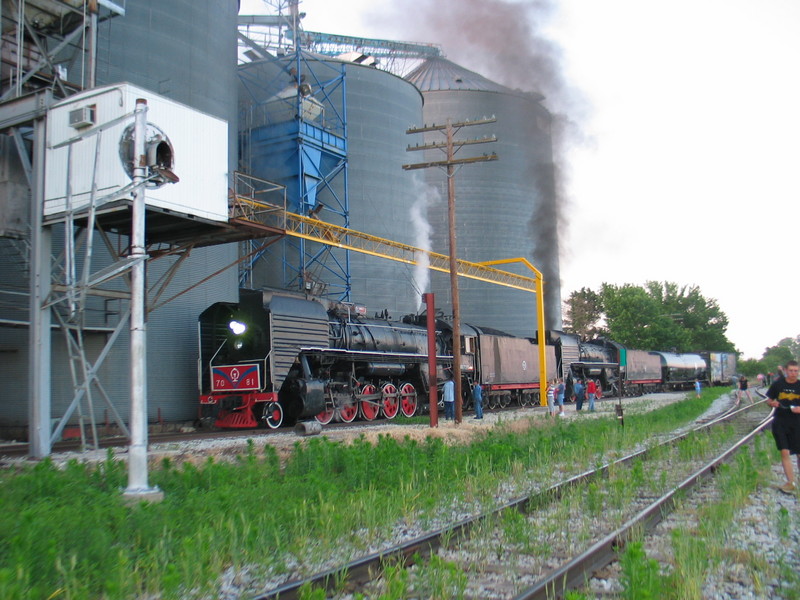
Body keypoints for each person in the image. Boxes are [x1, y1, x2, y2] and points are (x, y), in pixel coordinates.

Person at [765, 360, 800, 494]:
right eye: (791, 371)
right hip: (780, 422)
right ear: (785, 371)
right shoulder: (778, 384)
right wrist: (772, 403)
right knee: (784, 451)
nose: (793, 373)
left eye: (796, 371)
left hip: (797, 422)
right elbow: (769, 400)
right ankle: (790, 482)